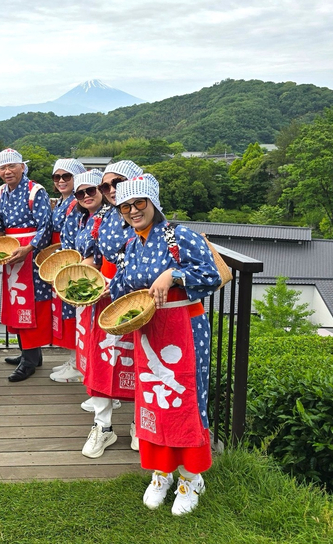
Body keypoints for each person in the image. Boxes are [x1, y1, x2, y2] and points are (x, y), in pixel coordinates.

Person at [111, 174, 221, 515]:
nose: (132, 211)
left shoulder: (179, 236)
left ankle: (191, 477)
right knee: (154, 402)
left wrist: (174, 274)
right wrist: (103, 291)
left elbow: (212, 275)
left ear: (153, 203)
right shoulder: (131, 244)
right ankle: (162, 473)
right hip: (150, 330)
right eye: (125, 206)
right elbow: (120, 285)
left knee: (186, 398)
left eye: (139, 203)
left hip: (185, 328)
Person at [79, 161, 144, 425]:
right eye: (105, 185)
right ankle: (102, 423)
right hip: (105, 294)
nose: (111, 190)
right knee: (103, 358)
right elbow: (91, 256)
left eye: (117, 182)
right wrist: (87, 274)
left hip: (138, 296)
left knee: (138, 359)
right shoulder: (101, 218)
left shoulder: (146, 216)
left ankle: (138, 424)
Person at [0, 148, 53, 382]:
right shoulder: (0, 192)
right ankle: (30, 354)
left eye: (12, 166)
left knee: (31, 305)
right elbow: (0, 220)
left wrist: (29, 248)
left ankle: (30, 360)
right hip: (11, 251)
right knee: (16, 304)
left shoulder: (35, 191)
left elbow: (45, 226)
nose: (7, 172)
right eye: (2, 168)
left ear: (22, 167)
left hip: (30, 254)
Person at [45, 158, 87, 383]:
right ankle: (74, 359)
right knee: (67, 313)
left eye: (66, 177)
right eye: (57, 177)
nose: (61, 181)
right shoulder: (64, 202)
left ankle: (78, 363)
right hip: (61, 257)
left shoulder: (75, 202)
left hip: (70, 260)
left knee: (73, 314)